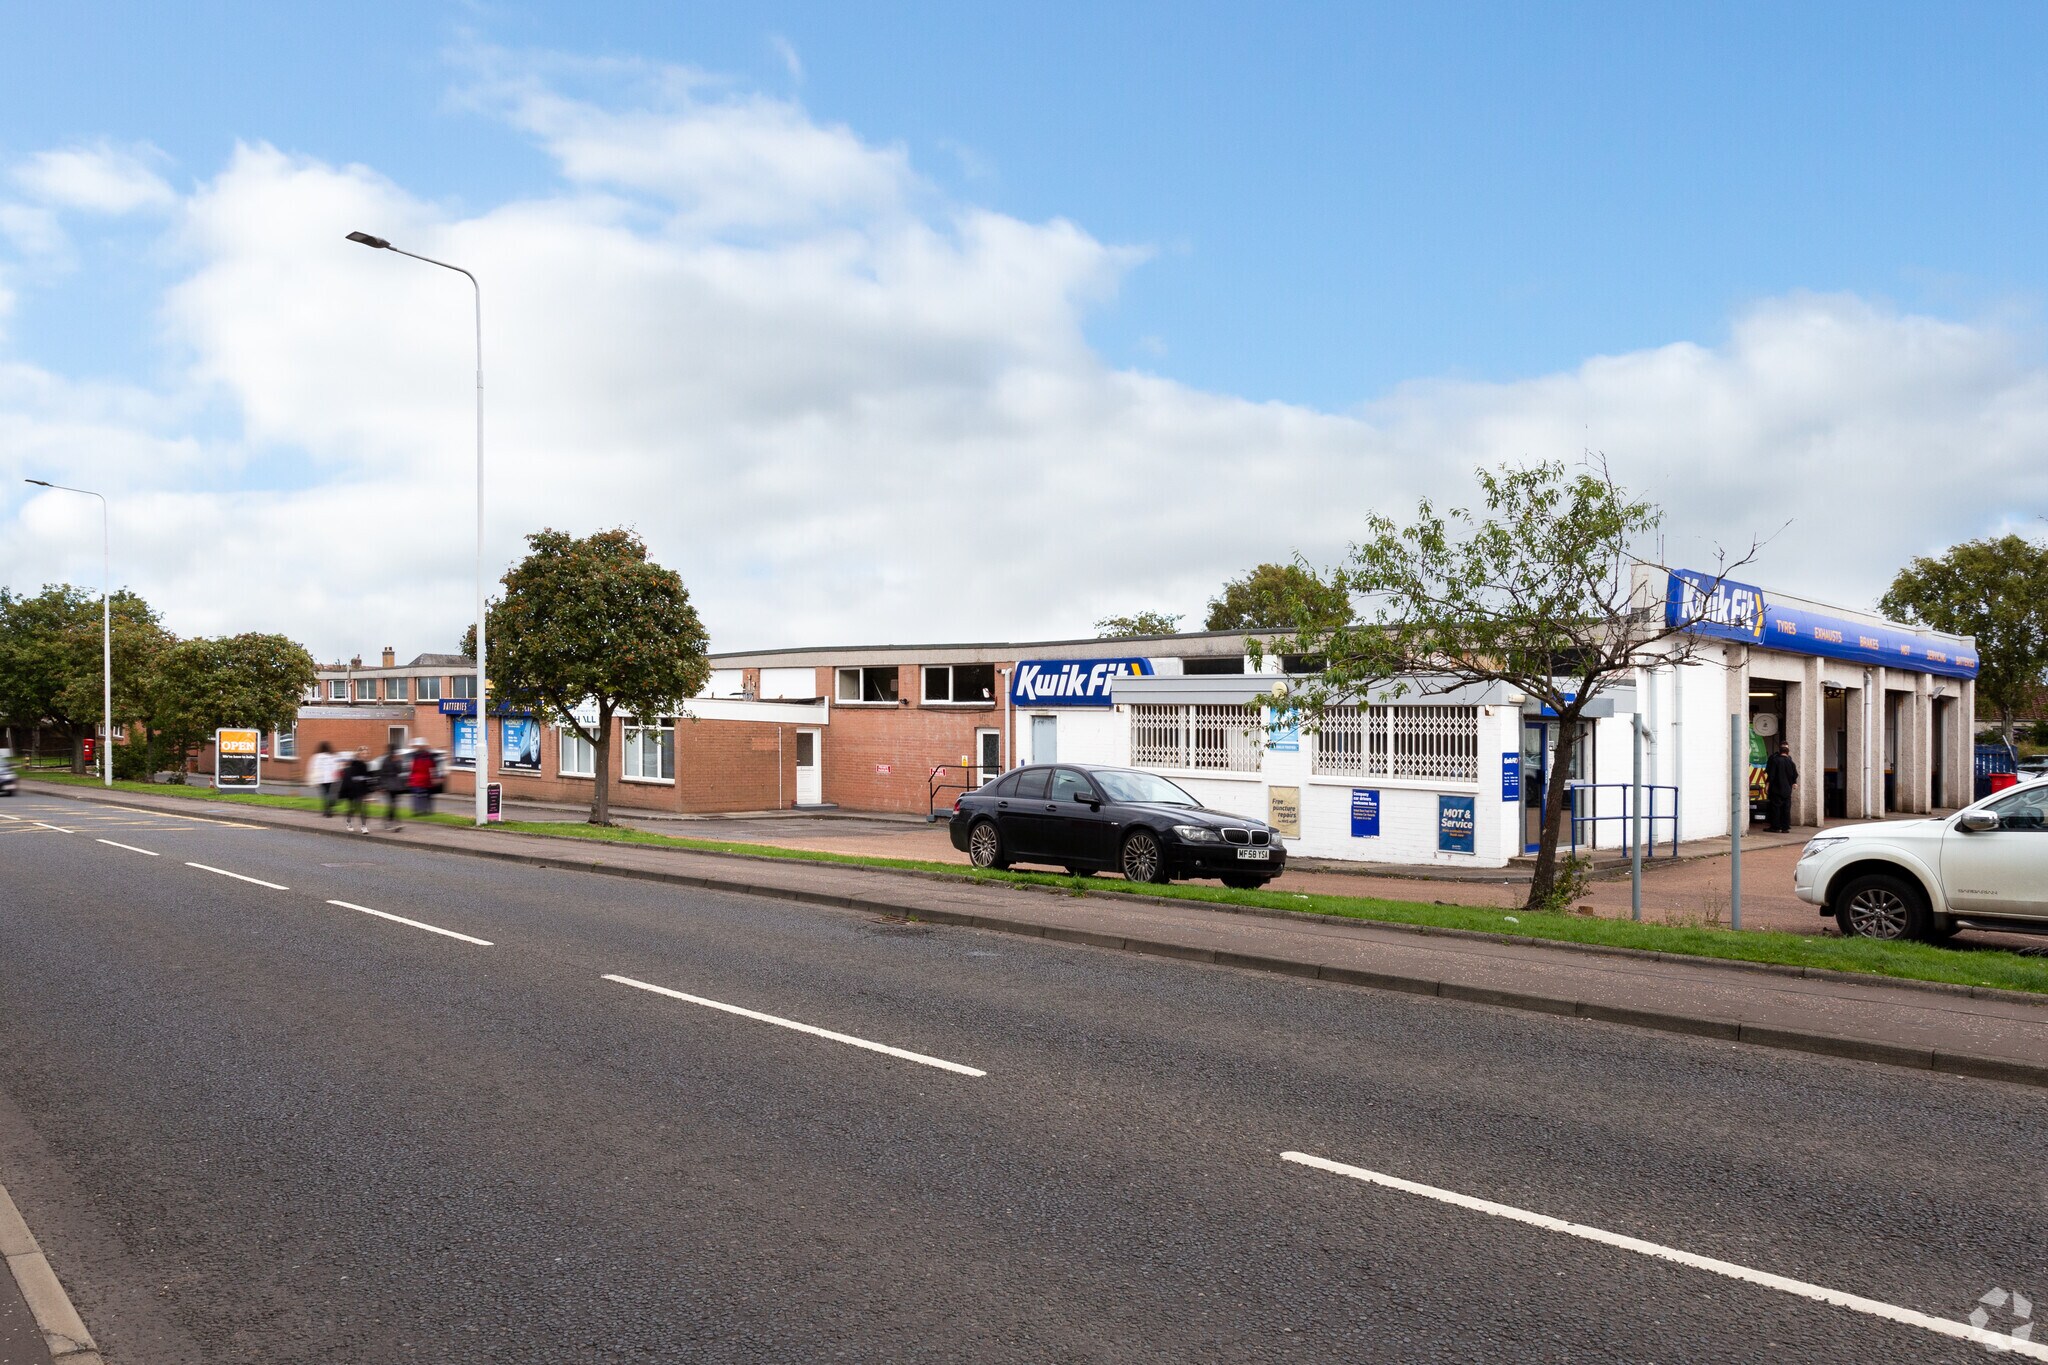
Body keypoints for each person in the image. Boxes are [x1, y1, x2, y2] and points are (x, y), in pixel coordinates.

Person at [1766, 741, 1799, 833]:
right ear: (1788, 751)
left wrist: (1767, 785)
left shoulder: (1775, 760)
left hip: (1776, 788)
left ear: (1779, 750)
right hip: (1787, 790)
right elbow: (1795, 774)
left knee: (1776, 808)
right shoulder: (1790, 761)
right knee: (1786, 808)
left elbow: (1771, 775)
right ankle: (1785, 827)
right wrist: (1794, 783)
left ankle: (1775, 827)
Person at [339, 747, 372, 833]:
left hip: (361, 790)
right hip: (352, 790)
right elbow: (351, 778)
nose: (365, 755)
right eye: (363, 753)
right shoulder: (354, 764)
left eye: (366, 753)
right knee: (352, 808)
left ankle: (364, 826)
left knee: (362, 808)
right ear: (359, 754)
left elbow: (366, 779)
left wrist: (367, 792)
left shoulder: (366, 765)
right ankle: (348, 821)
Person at [406, 738, 437, 820]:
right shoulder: (429, 755)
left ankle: (418, 810)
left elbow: (411, 768)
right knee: (426, 796)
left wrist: (409, 779)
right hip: (425, 779)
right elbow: (433, 767)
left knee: (417, 796)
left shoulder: (415, 756)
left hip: (418, 779)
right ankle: (426, 810)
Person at [379, 740, 406, 829]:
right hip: (388, 784)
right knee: (392, 804)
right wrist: (382, 786)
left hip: (395, 784)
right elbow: (382, 773)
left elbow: (399, 770)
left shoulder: (397, 759)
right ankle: (393, 822)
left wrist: (398, 761)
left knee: (394, 804)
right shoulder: (385, 760)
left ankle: (389, 821)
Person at [309, 741, 339, 817]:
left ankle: (326, 811)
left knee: (324, 794)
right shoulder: (333, 756)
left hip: (321, 779)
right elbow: (336, 768)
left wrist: (313, 777)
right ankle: (329, 809)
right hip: (330, 779)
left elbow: (312, 767)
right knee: (330, 794)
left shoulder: (316, 757)